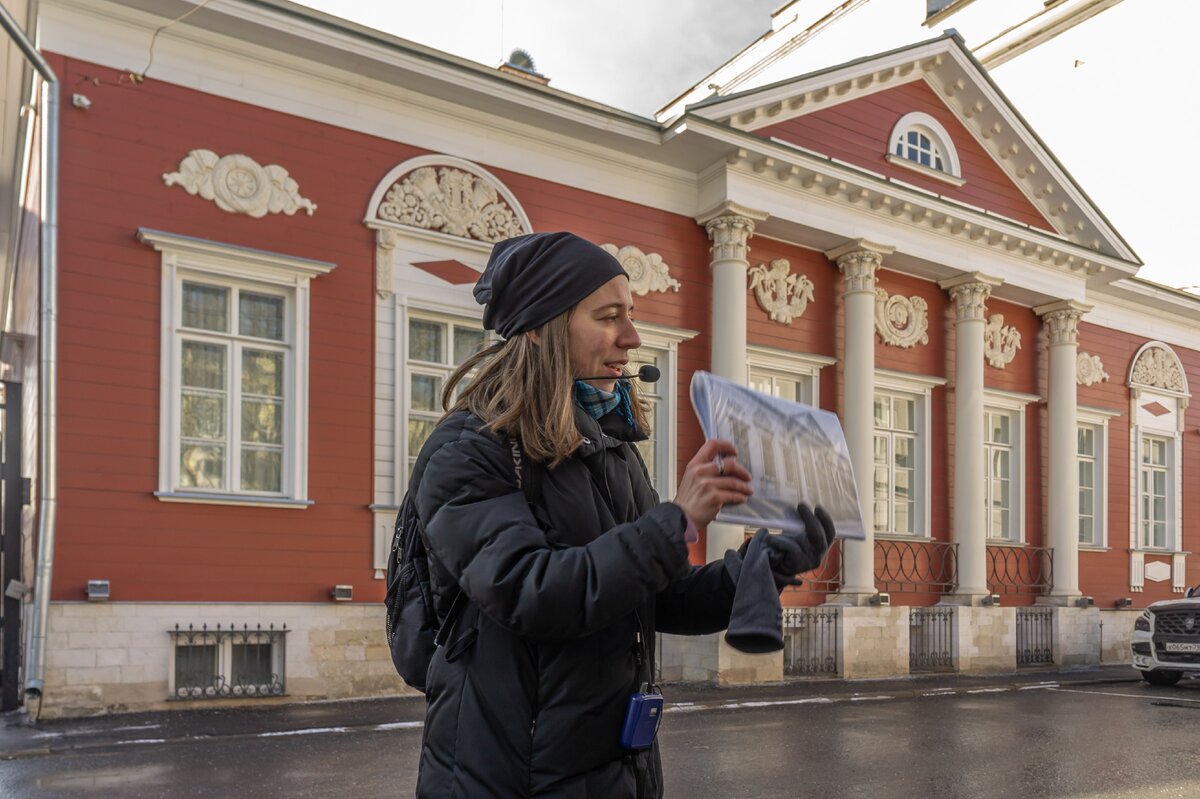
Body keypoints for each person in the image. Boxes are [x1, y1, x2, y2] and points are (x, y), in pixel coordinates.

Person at [411, 231, 835, 798]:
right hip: (511, 777)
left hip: (616, 771)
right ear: (540, 328)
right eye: (609, 317)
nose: (632, 338)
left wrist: (763, 565)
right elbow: (531, 591)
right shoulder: (470, 448)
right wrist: (678, 519)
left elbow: (656, 594)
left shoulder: (609, 449)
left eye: (630, 316)